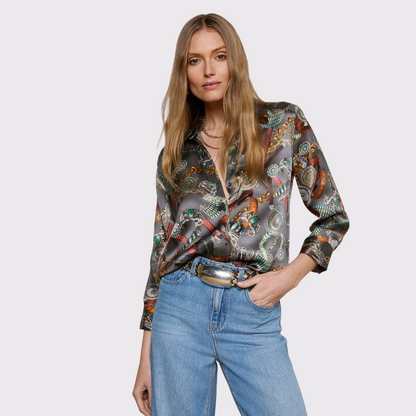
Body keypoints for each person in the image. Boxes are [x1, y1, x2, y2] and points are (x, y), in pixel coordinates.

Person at [132, 13, 349, 416]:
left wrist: (290, 277)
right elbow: (162, 251)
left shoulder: (283, 124)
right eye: (195, 60)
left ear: (235, 61)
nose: (209, 70)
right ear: (183, 72)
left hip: (253, 309)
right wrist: (145, 355)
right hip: (179, 309)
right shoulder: (174, 154)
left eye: (219, 56)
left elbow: (333, 216)